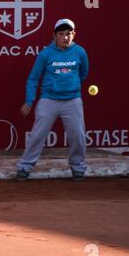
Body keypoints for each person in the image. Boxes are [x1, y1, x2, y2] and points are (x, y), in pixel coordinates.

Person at [15, 19, 89, 181]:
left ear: (73, 35)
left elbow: (83, 73)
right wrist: (29, 100)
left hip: (72, 101)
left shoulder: (80, 52)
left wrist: (71, 87)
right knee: (37, 136)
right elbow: (33, 78)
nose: (65, 37)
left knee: (78, 136)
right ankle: (25, 167)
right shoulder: (46, 54)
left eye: (68, 34)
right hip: (48, 100)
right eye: (61, 34)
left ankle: (78, 168)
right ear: (54, 36)